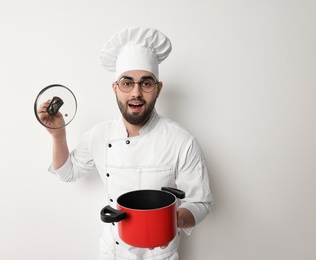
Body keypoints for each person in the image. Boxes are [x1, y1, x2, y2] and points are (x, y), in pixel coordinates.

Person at [38, 26, 213, 260]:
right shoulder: (99, 136)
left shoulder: (181, 140)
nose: (136, 93)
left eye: (147, 83)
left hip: (160, 254)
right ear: (115, 89)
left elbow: (201, 202)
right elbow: (66, 172)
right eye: (127, 83)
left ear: (158, 88)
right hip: (113, 252)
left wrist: (171, 220)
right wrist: (58, 135)